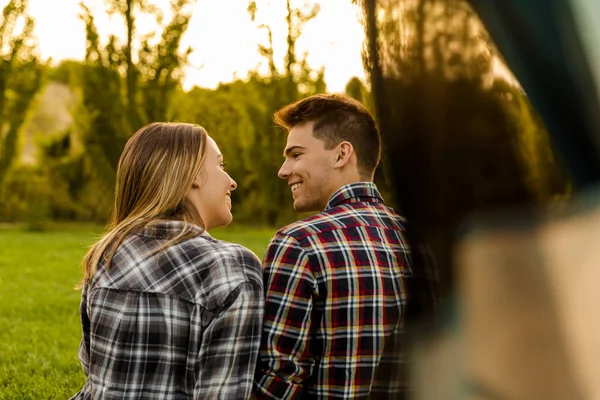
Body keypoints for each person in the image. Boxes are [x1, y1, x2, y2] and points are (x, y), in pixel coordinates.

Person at [253, 94, 438, 399]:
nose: (283, 170)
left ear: (341, 155)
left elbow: (277, 385)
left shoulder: (300, 244)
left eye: (295, 154)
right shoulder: (423, 243)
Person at [70, 122, 264, 400]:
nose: (231, 181)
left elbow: (93, 372)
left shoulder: (107, 254)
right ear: (194, 174)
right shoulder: (231, 266)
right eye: (221, 166)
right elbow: (224, 391)